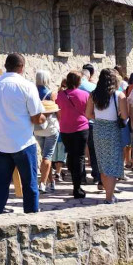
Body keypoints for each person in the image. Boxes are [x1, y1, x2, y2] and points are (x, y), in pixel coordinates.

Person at [0, 53, 45, 214]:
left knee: (0, 184)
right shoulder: (27, 86)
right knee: (30, 184)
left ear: (6, 66)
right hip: (22, 141)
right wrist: (44, 117)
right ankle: (32, 218)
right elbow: (35, 117)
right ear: (22, 67)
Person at [85, 69, 128, 204]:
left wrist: (99, 118)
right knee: (113, 163)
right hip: (112, 129)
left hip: (98, 129)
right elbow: (125, 116)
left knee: (103, 163)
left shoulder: (93, 95)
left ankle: (108, 195)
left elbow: (88, 114)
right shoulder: (119, 95)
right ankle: (109, 197)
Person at [55, 71, 90, 199]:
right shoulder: (85, 94)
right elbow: (88, 111)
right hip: (81, 128)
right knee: (80, 157)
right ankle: (77, 187)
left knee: (71, 154)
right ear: (78, 82)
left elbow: (59, 110)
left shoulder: (60, 95)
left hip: (65, 129)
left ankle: (74, 180)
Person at [34, 70, 59, 193]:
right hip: (50, 127)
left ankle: (51, 182)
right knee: (47, 156)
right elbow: (56, 110)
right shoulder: (51, 93)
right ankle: (43, 183)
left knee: (45, 154)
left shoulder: (33, 92)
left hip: (37, 128)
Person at [79, 64, 101, 189]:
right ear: (89, 76)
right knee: (94, 151)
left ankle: (81, 176)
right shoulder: (93, 87)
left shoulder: (72, 88)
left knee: (79, 152)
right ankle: (97, 176)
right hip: (92, 122)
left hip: (77, 124)